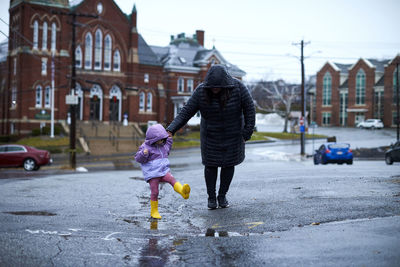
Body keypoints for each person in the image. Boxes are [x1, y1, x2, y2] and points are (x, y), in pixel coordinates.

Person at [166, 64, 255, 209]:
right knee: (210, 166)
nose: (214, 89)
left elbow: (250, 110)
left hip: (233, 134)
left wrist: (246, 133)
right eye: (212, 86)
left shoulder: (238, 88)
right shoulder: (201, 90)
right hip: (210, 135)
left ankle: (222, 196)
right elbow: (186, 111)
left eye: (217, 86)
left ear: (225, 84)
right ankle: (211, 198)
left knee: (228, 165)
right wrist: (171, 130)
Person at [135, 124, 190, 219]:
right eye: (160, 139)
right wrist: (143, 154)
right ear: (153, 139)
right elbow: (138, 159)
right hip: (153, 174)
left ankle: (182, 191)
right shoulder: (146, 147)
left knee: (172, 179)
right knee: (155, 192)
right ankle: (154, 211)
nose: (162, 142)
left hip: (163, 171)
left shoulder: (163, 146)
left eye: (163, 139)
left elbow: (168, 146)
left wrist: (169, 139)